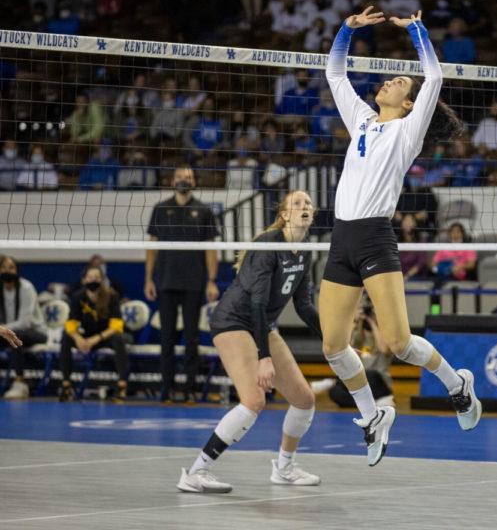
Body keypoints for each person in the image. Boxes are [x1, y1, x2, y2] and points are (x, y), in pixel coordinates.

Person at [322, 6, 481, 467]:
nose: (391, 81)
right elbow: (334, 73)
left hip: (374, 238)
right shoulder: (363, 121)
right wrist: (346, 30)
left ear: (409, 104)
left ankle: (457, 385)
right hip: (342, 240)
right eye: (391, 79)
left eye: (399, 83)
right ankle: (373, 416)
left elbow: (433, 78)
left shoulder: (407, 132)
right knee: (333, 346)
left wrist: (417, 31)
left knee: (398, 343)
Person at [177, 191, 321, 493]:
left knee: (304, 400)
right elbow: (256, 303)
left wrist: (334, 339)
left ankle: (284, 468)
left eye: (308, 203)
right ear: (284, 214)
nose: (304, 207)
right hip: (233, 320)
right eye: (297, 203)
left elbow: (304, 305)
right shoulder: (268, 245)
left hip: (261, 324)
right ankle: (195, 472)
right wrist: (264, 358)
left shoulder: (306, 249)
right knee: (254, 400)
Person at [145, 165, 220, 403]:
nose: (184, 181)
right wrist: (148, 278)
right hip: (166, 282)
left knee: (191, 338)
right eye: (180, 177)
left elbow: (211, 250)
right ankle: (166, 389)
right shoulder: (161, 209)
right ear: (172, 181)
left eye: (188, 177)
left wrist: (211, 281)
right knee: (166, 338)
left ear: (194, 182)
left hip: (194, 283)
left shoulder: (204, 210)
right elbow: (152, 246)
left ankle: (189, 389)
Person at [58, 265, 129, 402]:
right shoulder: (78, 297)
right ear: (84, 280)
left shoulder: (111, 295)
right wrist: (78, 338)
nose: (93, 280)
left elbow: (116, 326)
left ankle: (122, 386)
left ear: (102, 280)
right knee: (66, 337)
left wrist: (95, 339)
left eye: (97, 277)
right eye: (90, 277)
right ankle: (66, 385)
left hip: (106, 336)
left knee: (118, 338)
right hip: (88, 336)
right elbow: (71, 323)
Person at [0, 256, 46, 399]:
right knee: (13, 334)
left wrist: (2, 330)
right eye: (3, 268)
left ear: (17, 270)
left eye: (11, 268)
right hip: (6, 331)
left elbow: (25, 322)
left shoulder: (26, 288)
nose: (7, 271)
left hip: (35, 332)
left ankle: (20, 383)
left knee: (16, 335)